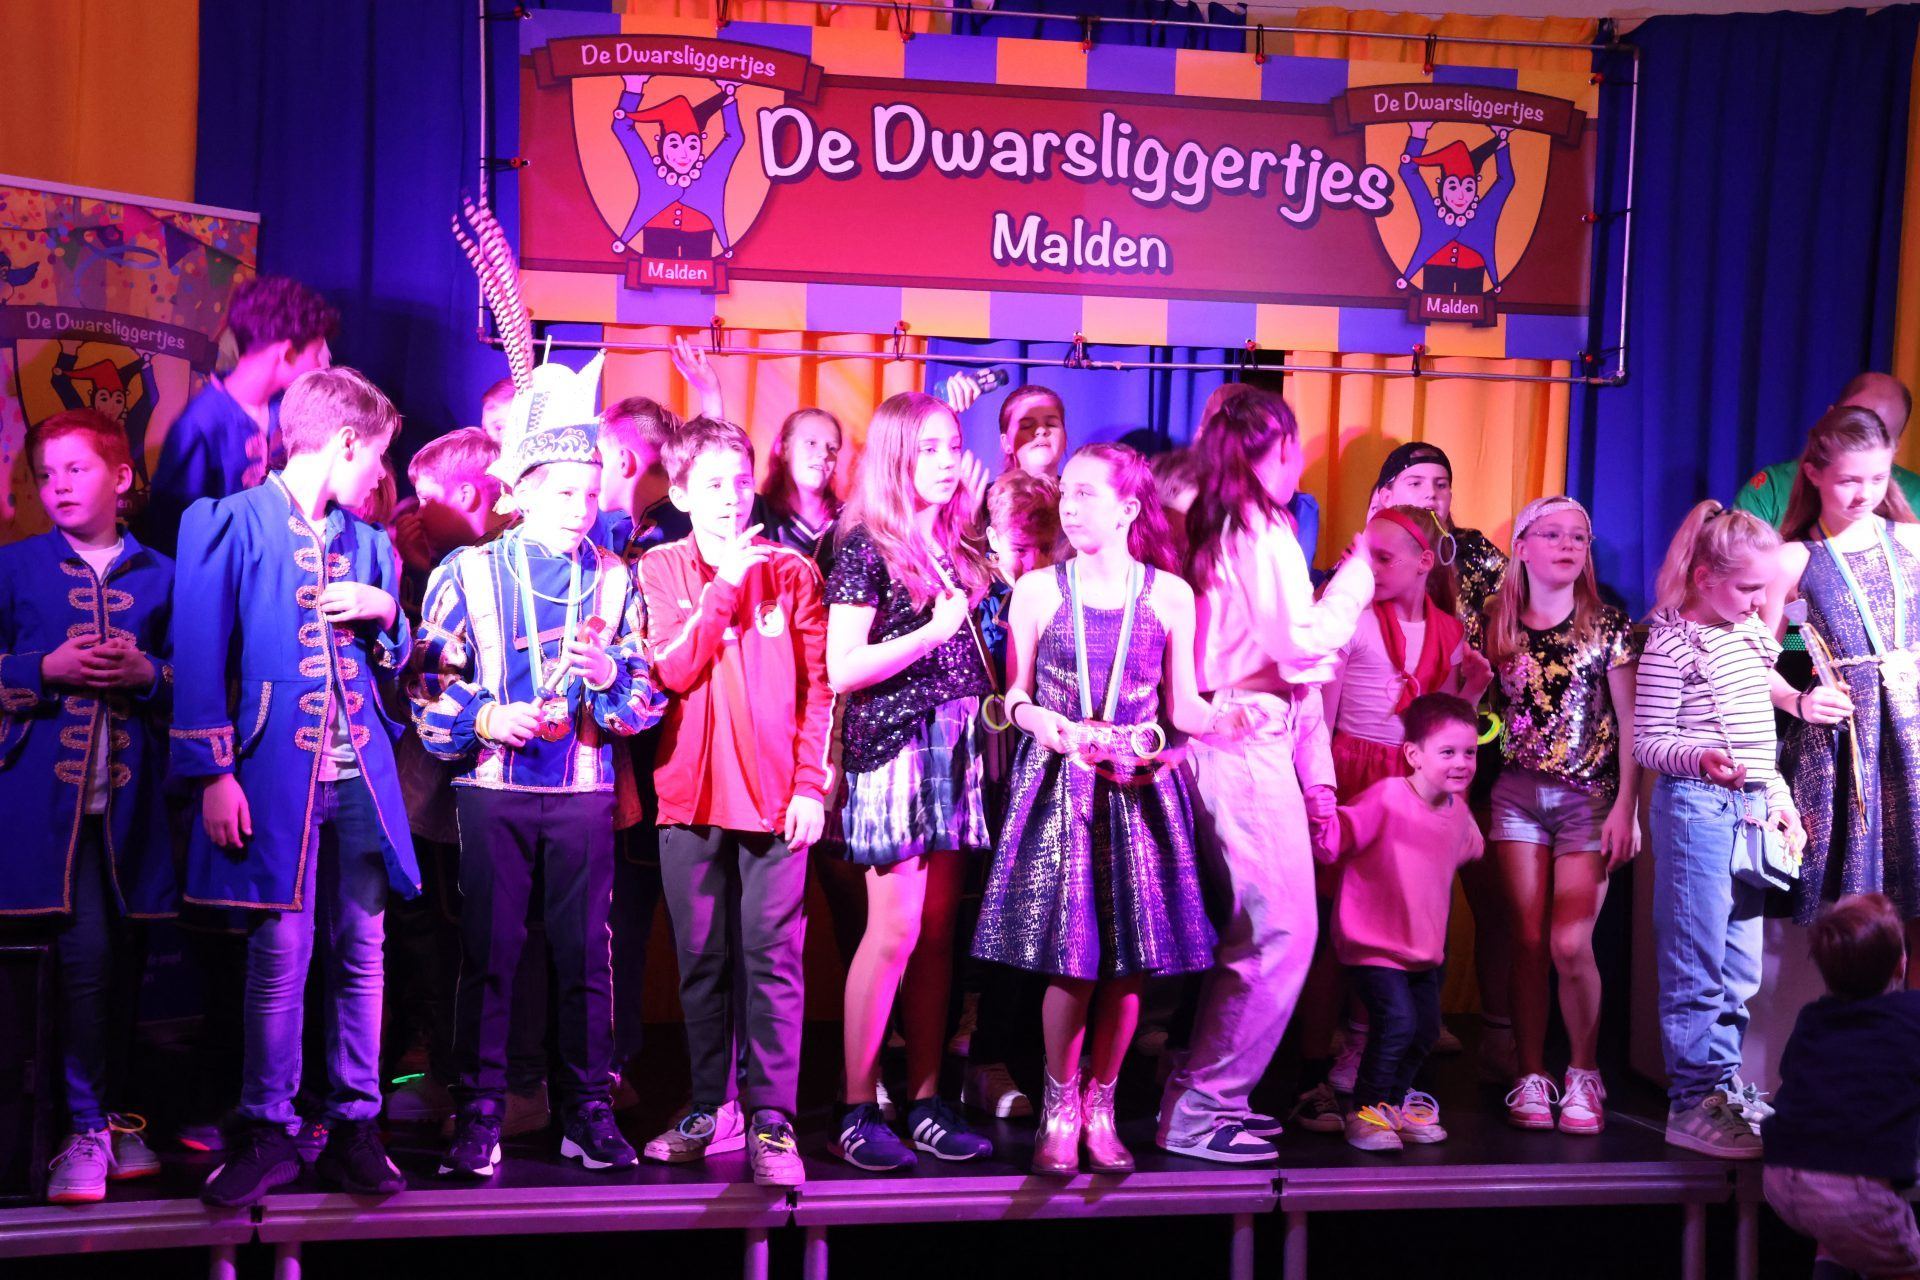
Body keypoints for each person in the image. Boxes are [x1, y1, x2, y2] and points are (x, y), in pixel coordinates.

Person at [409, 360, 665, 1180]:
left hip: (584, 793)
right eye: (563, 492)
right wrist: (486, 716)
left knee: (587, 956)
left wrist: (609, 676)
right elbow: (426, 680)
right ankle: (481, 1112)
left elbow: (642, 699)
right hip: (494, 792)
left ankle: (587, 1109)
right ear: (521, 492)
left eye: (590, 492)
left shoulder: (615, 579)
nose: (581, 507)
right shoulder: (467, 572)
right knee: (489, 954)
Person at [171, 367, 420, 1207]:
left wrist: (388, 615)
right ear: (345, 443)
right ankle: (268, 1127)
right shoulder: (229, 523)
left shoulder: (371, 544)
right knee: (280, 954)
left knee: (363, 954)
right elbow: (199, 657)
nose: (379, 475)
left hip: (359, 778)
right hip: (275, 775)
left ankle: (355, 1124)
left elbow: (394, 665)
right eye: (375, 455)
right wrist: (215, 771)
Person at [974, 444, 1223, 1175]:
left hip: (1139, 791)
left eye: (1087, 493)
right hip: (1063, 789)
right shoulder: (1037, 590)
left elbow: (1184, 707)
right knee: (1072, 959)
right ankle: (1059, 1106)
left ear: (1128, 508)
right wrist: (1043, 724)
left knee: (1129, 965)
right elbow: (1013, 696)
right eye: (1067, 492)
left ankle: (1102, 1104)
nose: (1071, 505)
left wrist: (1240, 714)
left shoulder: (1170, 594)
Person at [1156, 387, 1374, 1165]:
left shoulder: (1216, 519)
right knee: (1281, 929)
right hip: (1244, 737)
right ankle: (1203, 1106)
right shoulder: (1257, 522)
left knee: (1261, 929)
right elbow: (1298, 645)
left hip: (1228, 732)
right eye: (1293, 446)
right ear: (1270, 448)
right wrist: (1358, 578)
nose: (1301, 462)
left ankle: (1202, 1098)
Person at [635, 417, 832, 1189]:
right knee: (701, 961)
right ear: (682, 493)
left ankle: (771, 1117)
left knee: (773, 960)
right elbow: (672, 670)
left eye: (740, 482)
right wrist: (723, 588)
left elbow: (819, 689)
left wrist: (811, 784)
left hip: (777, 799)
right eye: (712, 484)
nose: (730, 497)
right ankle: (710, 1106)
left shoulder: (794, 572)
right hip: (689, 797)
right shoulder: (660, 568)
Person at [2, 410, 175, 1203]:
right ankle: (83, 1126)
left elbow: (207, 679)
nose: (59, 485)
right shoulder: (14, 568)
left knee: (130, 966)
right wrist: (44, 668)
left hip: (136, 817)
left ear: (121, 478)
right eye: (47, 474)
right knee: (85, 962)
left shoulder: (164, 576)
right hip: (42, 811)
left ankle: (113, 1116)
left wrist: (149, 675)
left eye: (76, 469)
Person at [825, 391, 996, 1172]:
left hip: (955, 741)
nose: (945, 461)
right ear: (896, 454)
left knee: (936, 935)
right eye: (928, 447)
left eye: (952, 445)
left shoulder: (954, 544)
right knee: (891, 932)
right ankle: (856, 1106)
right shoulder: (866, 543)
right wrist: (932, 632)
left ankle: (927, 1100)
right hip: (894, 746)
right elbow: (843, 667)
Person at [1290, 504, 1490, 1133]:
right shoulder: (1353, 621)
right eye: (1363, 555)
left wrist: (1472, 691)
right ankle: (1312, 1069)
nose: (1367, 568)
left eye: (1381, 558)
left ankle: (1368, 1062)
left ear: (1424, 563)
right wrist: (1317, 789)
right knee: (1336, 927)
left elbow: (1440, 727)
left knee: (1392, 922)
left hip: (1411, 786)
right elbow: (1321, 716)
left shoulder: (1449, 631)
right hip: (1354, 777)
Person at [1634, 500, 1799, 1159]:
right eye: (1749, 588)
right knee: (1695, 961)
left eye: (1765, 589)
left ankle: (1722, 1089)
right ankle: (1691, 1101)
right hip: (1697, 810)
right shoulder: (1671, 644)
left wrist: (1779, 796)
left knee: (1738, 967)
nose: (1761, 603)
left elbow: (1765, 728)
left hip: (1750, 811)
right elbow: (1649, 741)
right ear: (1705, 578)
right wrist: (1699, 756)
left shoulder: (1752, 635)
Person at [1484, 495, 1640, 1135]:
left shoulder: (1608, 626)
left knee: (1569, 943)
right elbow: (1479, 710)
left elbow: (1631, 726)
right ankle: (1529, 1073)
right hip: (1517, 796)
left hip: (1588, 800)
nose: (1568, 545)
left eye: (1579, 536)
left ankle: (1582, 1070)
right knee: (1524, 941)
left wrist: (1627, 808)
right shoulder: (1496, 623)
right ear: (1522, 547)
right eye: (1552, 534)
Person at [1368, 440, 1512, 1080]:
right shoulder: (1377, 551)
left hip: (1467, 729)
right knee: (1386, 885)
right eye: (1417, 482)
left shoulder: (1477, 553)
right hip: (1387, 738)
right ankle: (1373, 1027)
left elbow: (1517, 614)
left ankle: (1480, 1030)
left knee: (1468, 881)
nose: (1432, 493)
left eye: (1442, 483)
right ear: (1387, 493)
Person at [381, 428, 504, 1126]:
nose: (414, 513)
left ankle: (460, 1074)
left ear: (462, 495)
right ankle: (430, 1060)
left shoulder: (494, 564)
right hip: (425, 795)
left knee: (464, 935)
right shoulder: (430, 566)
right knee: (422, 928)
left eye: (425, 499)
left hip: (475, 791)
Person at [1766, 406, 1920, 948]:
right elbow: (1759, 661)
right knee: (1860, 916)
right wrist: (1800, 700)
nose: (1864, 494)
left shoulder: (1913, 542)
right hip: (1849, 742)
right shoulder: (1792, 558)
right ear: (1813, 473)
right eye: (1849, 480)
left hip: (1913, 733)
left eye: (1878, 478)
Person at [1314, 694, 1484, 1152]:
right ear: (1413, 754)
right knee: (1397, 1024)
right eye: (1447, 752)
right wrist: (1319, 809)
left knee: (1425, 1031)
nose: (1462, 762)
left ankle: (1392, 1104)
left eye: (1469, 752)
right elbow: (1335, 839)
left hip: (1424, 949)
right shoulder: (1388, 797)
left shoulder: (1457, 811)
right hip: (1373, 943)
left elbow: (1467, 847)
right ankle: (1364, 1113)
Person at [960, 469, 1062, 1121]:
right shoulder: (974, 598)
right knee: (954, 924)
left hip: (1034, 773)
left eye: (1044, 548)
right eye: (1020, 547)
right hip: (971, 771)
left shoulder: (1059, 594)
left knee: (1019, 920)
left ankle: (993, 1058)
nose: (1031, 561)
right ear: (991, 537)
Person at [1763, 893, 1920, 1280]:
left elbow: (1794, 1074)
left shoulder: (1812, 1017)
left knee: (1838, 1237)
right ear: (1901, 964)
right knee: (1902, 1263)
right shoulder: (1912, 1015)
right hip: (1852, 1195)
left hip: (1781, 1179)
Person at [141, 276, 339, 554]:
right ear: (286, 354)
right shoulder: (200, 425)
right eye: (317, 353)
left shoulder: (287, 412)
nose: (324, 364)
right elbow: (174, 532)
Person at [1736, 373, 1917, 528]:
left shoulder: (1915, 498)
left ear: (1895, 447)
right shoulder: (1773, 487)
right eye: (1854, 429)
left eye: (1882, 434)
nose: (1864, 495)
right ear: (1829, 417)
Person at [761, 407, 844, 555]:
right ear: (783, 450)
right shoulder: (756, 513)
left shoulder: (848, 522)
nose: (824, 453)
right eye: (811, 443)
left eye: (832, 448)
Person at [998, 384, 1067, 478]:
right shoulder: (983, 488)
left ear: (1064, 437)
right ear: (1006, 442)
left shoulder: (1081, 487)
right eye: (1026, 426)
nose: (1041, 430)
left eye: (1051, 424)